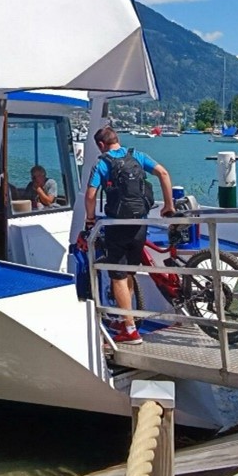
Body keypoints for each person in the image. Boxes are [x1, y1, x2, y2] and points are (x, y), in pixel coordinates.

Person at [84, 126, 175, 344]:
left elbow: (90, 195)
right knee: (129, 273)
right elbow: (163, 173)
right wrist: (168, 205)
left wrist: (89, 219)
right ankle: (127, 320)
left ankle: (130, 331)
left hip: (118, 226)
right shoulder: (137, 155)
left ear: (101, 145)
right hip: (140, 224)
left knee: (118, 276)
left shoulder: (102, 163)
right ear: (118, 139)